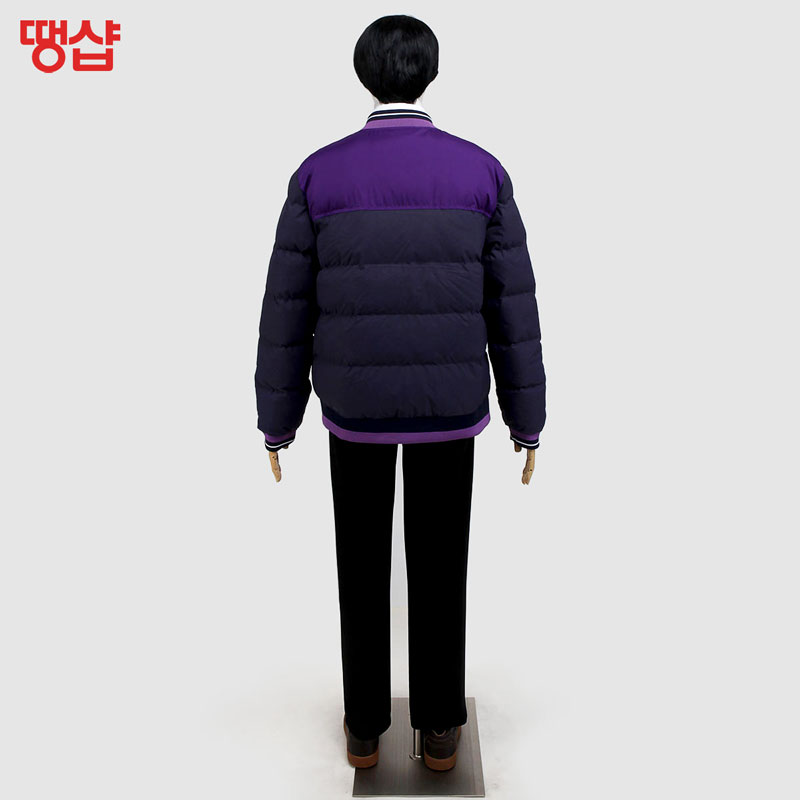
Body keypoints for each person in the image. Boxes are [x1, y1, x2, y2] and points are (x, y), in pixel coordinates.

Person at [254, 14, 546, 771]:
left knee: (358, 564)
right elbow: (513, 306)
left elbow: (286, 308)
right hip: (450, 404)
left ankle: (363, 728)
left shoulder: (318, 174)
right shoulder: (481, 171)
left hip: (353, 406)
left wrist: (277, 422)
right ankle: (440, 729)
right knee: (443, 564)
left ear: (365, 73)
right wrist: (528, 421)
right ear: (430, 72)